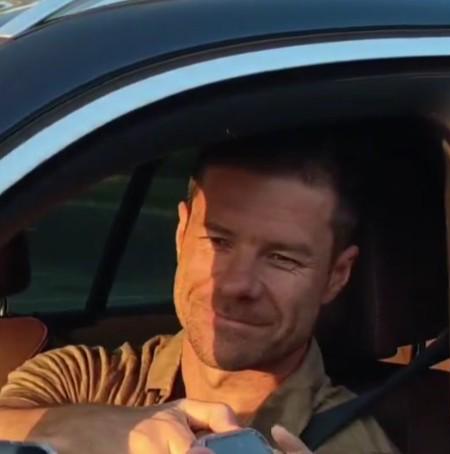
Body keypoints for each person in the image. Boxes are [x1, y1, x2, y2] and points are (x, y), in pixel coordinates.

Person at [0, 132, 396, 454]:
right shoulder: (84, 379)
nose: (235, 284)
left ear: (336, 277)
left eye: (281, 258)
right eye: (218, 241)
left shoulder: (354, 444)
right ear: (181, 234)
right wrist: (87, 429)